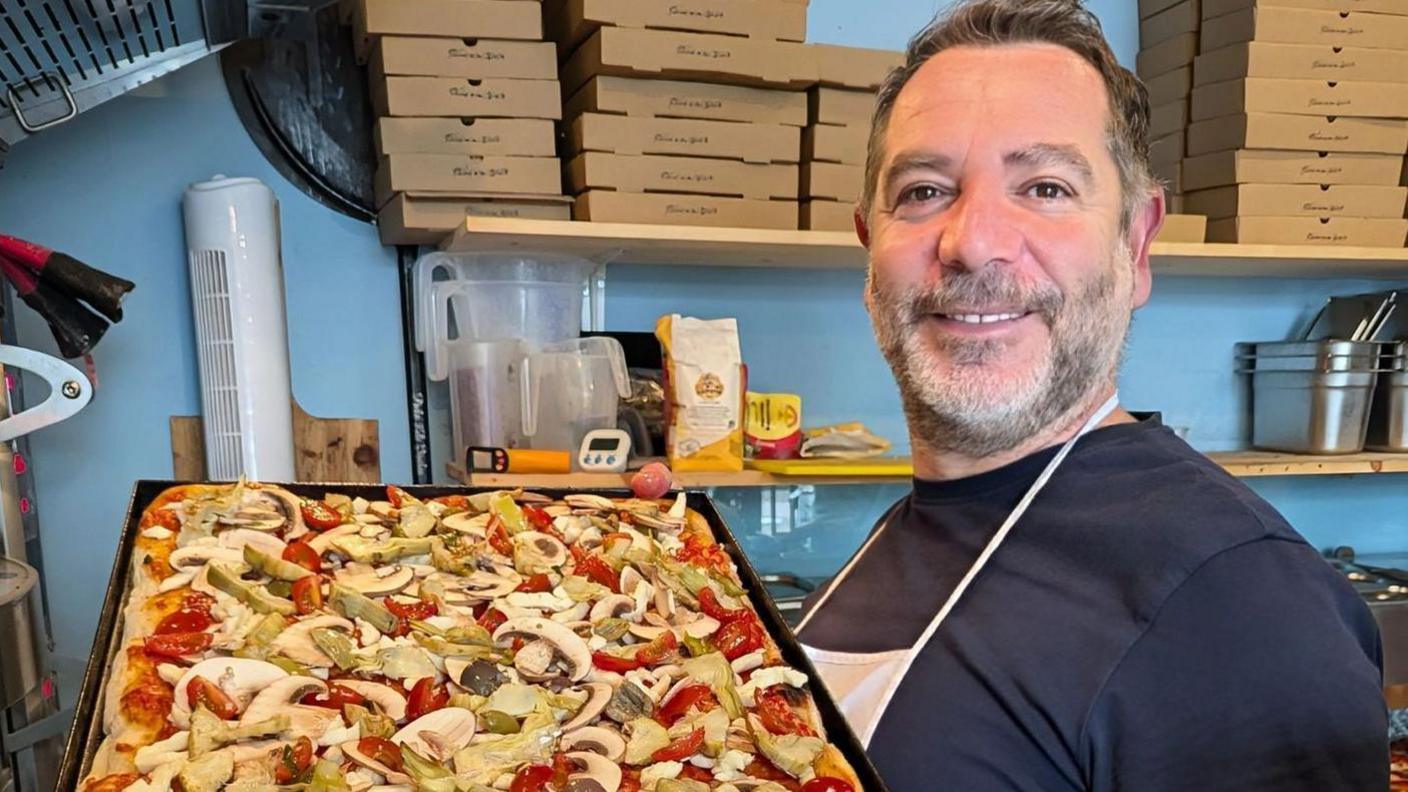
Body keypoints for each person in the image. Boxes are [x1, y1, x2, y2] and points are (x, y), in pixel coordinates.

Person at [793, 1, 1389, 789]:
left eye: (1044, 186)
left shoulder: (1240, 604)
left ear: (1135, 245)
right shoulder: (919, 524)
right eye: (924, 191)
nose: (971, 242)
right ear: (871, 249)